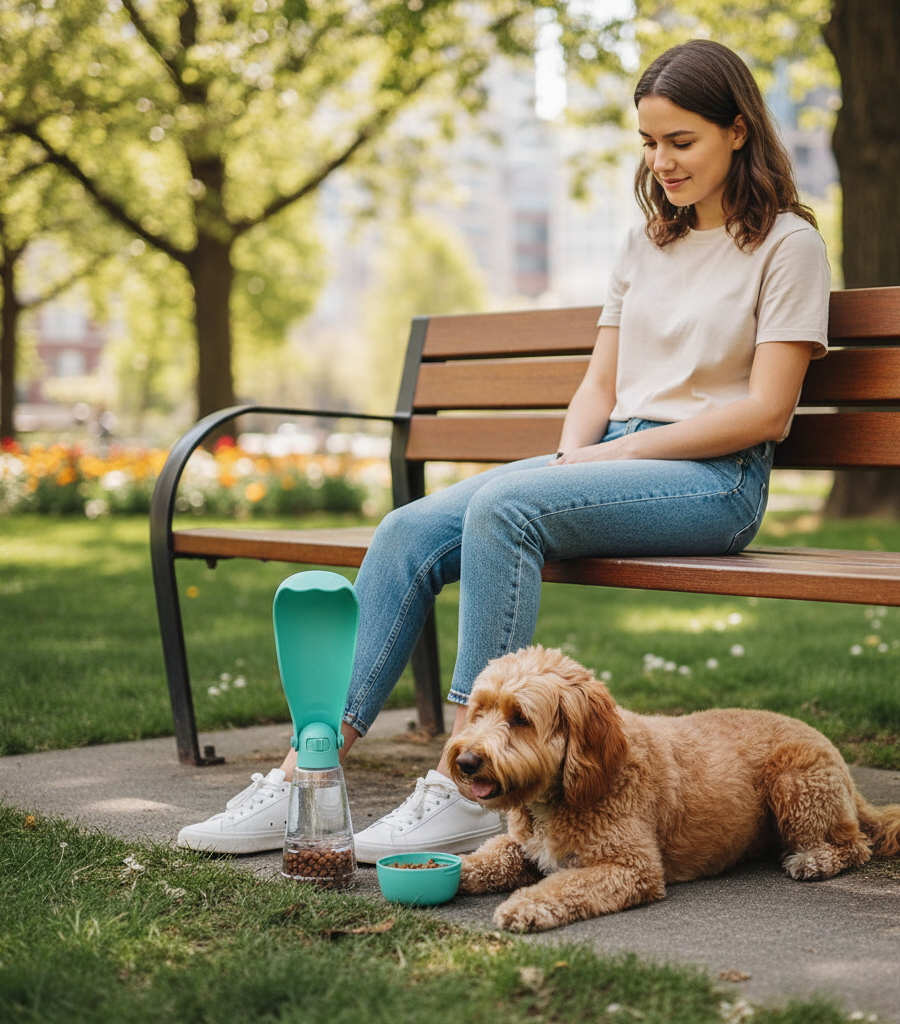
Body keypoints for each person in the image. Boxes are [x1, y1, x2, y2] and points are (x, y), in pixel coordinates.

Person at [176, 39, 830, 861]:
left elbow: (767, 413)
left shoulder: (787, 247)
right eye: (648, 143)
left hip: (714, 481)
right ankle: (306, 774)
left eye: (682, 142)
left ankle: (463, 783)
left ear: (739, 131)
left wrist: (611, 462)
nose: (661, 161)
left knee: (504, 507)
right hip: (622, 457)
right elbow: (599, 384)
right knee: (407, 529)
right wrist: (572, 457)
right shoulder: (646, 243)